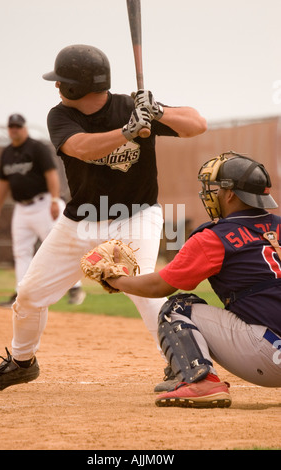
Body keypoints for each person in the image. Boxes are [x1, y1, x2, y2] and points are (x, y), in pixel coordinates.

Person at [0, 44, 206, 392]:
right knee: (28, 295)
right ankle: (22, 362)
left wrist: (157, 111)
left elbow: (197, 125)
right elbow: (81, 147)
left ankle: (184, 366)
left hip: (136, 214)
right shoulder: (60, 116)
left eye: (61, 81)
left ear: (74, 86)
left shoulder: (131, 107)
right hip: (80, 220)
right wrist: (128, 133)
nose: (57, 86)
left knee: (146, 289)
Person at [102, 152, 281, 408]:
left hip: (270, 356)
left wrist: (117, 280)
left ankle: (202, 382)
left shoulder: (214, 237)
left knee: (176, 308)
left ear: (231, 194)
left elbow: (160, 286)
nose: (212, 194)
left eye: (217, 188)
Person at [0, 113, 85, 307]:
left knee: (60, 247)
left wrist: (55, 200)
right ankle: (21, 294)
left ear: (24, 128)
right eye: (12, 127)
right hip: (21, 209)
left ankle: (76, 288)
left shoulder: (36, 148)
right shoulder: (7, 153)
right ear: (9, 130)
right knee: (21, 252)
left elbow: (51, 173)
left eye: (18, 126)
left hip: (44, 204)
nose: (15, 129)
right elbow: (2, 183)